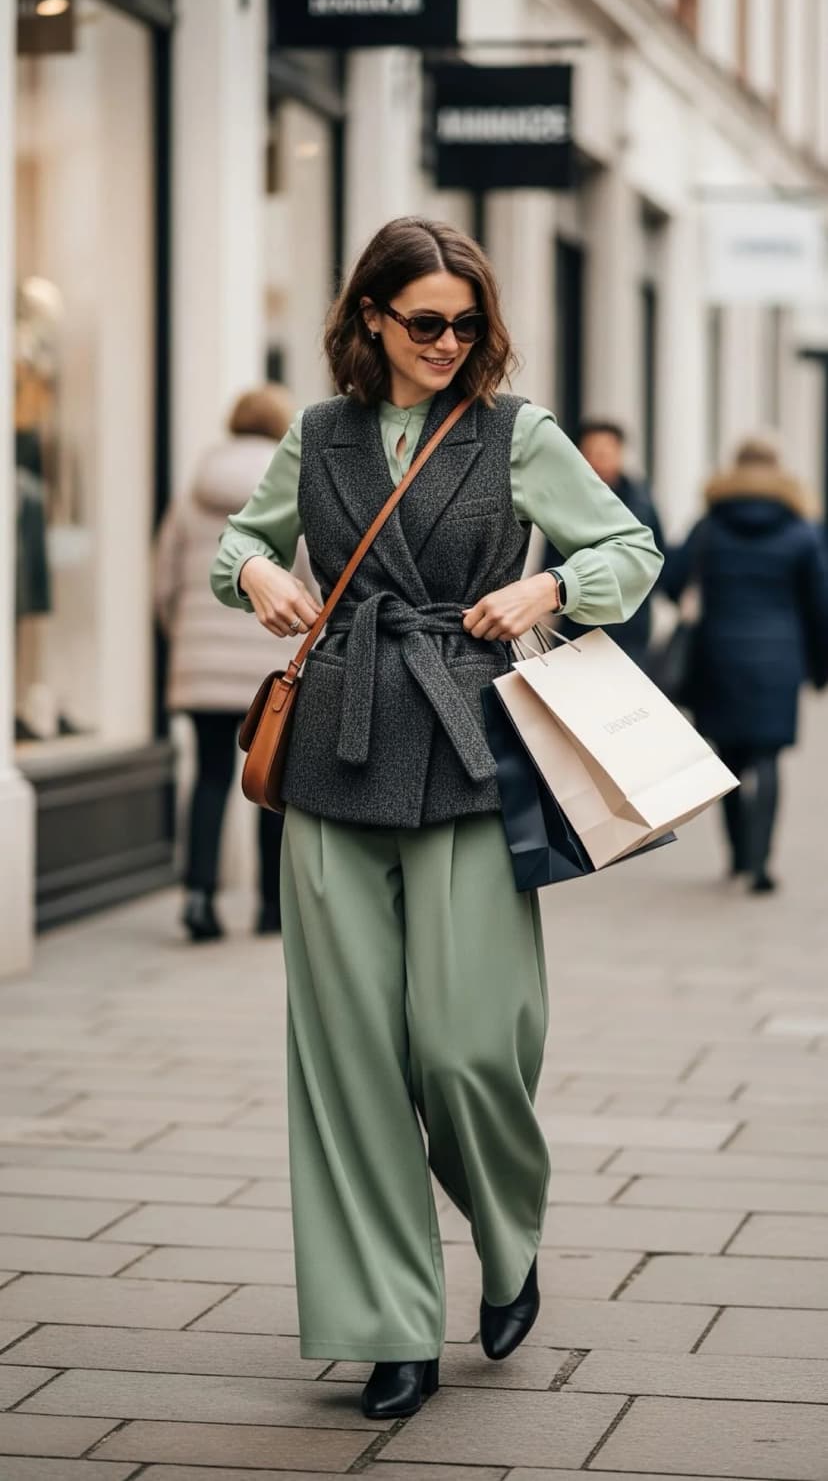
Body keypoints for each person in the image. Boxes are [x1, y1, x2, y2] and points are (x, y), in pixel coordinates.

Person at [210, 217, 662, 1419]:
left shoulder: (520, 435)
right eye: (425, 322)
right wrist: (258, 573)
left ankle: (507, 1231)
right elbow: (238, 543)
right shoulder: (316, 436)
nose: (450, 342)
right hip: (336, 752)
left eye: (467, 322)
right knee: (350, 1058)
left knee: (466, 1045)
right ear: (371, 319)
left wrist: (550, 583)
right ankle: (389, 1324)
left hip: (470, 748)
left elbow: (629, 544)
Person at [154, 384, 316, 941]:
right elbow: (311, 579)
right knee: (269, 775)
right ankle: (271, 908)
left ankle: (199, 896)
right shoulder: (290, 487)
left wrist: (185, 637)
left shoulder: (192, 491)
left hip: (199, 666)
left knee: (209, 776)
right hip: (269, 664)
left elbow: (165, 581)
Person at [665, 434, 828, 894]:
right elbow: (820, 606)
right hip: (780, 658)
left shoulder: (710, 525)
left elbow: (672, 580)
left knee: (729, 758)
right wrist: (819, 668)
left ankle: (737, 857)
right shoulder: (801, 530)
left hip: (718, 654)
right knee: (769, 757)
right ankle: (759, 864)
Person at [548, 419, 664, 666]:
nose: (597, 461)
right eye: (590, 453)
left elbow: (657, 557)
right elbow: (551, 559)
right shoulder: (566, 500)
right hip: (577, 623)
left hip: (629, 625)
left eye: (604, 453)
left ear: (620, 454)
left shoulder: (641, 503)